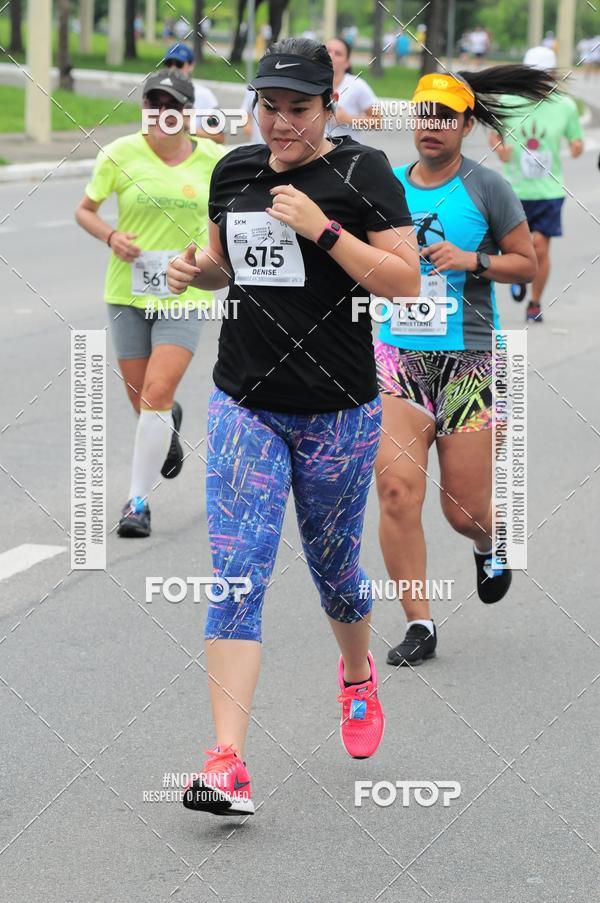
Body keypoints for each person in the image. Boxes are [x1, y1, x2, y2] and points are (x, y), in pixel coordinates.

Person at [167, 37, 419, 816]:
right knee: (238, 574)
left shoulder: (362, 174)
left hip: (338, 412)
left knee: (335, 568)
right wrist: (193, 270)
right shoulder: (233, 170)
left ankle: (355, 676)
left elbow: (405, 280)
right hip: (245, 401)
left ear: (328, 102)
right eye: (268, 106)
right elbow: (224, 262)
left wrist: (324, 229)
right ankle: (227, 762)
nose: (280, 124)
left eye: (298, 109)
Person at [374, 67, 557, 667]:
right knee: (397, 490)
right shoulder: (386, 186)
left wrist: (473, 259)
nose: (431, 127)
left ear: (465, 125)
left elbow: (526, 264)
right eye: (424, 114)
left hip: (470, 358)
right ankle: (420, 623)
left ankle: (489, 540)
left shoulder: (488, 187)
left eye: (445, 118)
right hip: (397, 355)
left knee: (464, 511)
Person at [75, 70, 224, 538]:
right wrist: (112, 236)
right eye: (153, 105)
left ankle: (137, 502)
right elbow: (85, 210)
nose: (163, 114)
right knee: (144, 401)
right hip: (127, 293)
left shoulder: (216, 161)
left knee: (156, 394)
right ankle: (167, 426)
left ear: (187, 113)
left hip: (186, 293)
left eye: (173, 106)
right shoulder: (120, 153)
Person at [489, 47, 584, 322]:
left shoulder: (564, 106)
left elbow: (576, 140)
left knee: (540, 246)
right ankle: (519, 275)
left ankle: (534, 302)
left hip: (548, 191)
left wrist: (576, 146)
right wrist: (500, 149)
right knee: (514, 247)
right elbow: (495, 135)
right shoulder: (507, 101)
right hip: (513, 190)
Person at [163, 43, 225, 144]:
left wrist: (186, 129)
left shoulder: (204, 95)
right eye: (169, 64)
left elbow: (219, 137)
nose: (173, 68)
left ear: (191, 66)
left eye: (179, 64)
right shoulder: (158, 94)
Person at [325, 37, 382, 142]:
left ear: (347, 63)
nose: (331, 55)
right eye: (327, 51)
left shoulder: (357, 85)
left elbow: (378, 121)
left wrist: (348, 119)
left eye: (338, 53)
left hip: (348, 153)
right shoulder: (311, 82)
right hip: (317, 153)